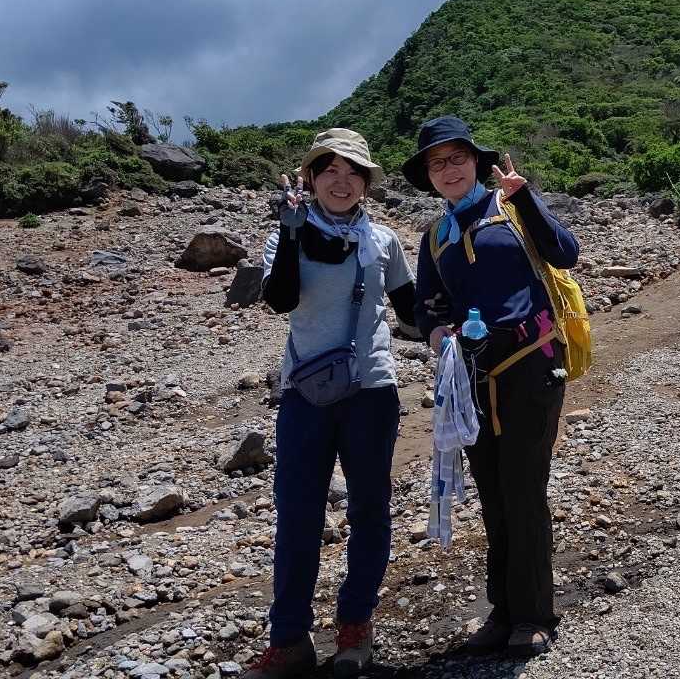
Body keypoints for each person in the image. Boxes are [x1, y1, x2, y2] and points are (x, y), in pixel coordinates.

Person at [243, 128, 416, 679]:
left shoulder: (383, 240)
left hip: (371, 390)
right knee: (297, 515)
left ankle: (355, 626)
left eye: (353, 173)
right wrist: (290, 231)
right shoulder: (286, 232)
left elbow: (413, 309)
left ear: (366, 183)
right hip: (305, 393)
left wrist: (462, 320)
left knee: (369, 509)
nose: (342, 182)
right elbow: (279, 300)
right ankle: (289, 640)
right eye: (330, 171)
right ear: (311, 178)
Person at [405, 115, 580, 658]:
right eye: (437, 163)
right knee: (494, 495)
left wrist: (525, 197)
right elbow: (426, 305)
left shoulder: (511, 208)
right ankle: (502, 612)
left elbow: (565, 253)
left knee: (523, 490)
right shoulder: (434, 237)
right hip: (474, 378)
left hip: (531, 365)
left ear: (477, 163)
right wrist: (437, 331)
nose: (449, 169)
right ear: (429, 176)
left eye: (457, 158)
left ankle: (533, 615)